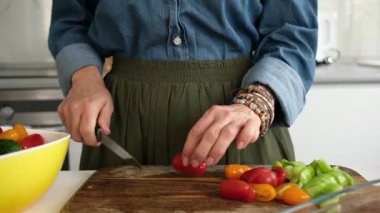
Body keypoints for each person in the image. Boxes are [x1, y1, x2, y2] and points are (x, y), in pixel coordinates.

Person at [48, 1, 318, 170]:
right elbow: (70, 23)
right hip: (122, 124)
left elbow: (293, 34)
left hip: (240, 123)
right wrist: (83, 78)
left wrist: (258, 101)